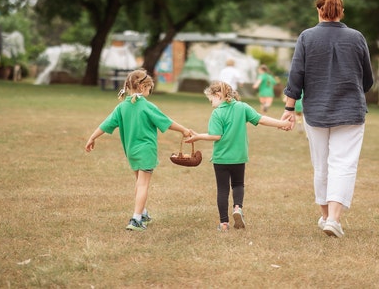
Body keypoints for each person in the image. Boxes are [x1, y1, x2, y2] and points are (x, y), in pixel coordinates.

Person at [281, 0, 374, 239]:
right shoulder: (356, 38)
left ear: (318, 11)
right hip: (351, 111)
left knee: (321, 165)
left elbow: (295, 75)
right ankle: (333, 219)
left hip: (316, 112)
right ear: (341, 11)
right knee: (343, 165)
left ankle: (325, 217)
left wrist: (289, 109)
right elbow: (367, 80)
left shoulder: (306, 37)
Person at [85, 69, 194, 232]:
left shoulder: (122, 107)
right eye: (150, 88)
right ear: (143, 87)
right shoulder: (147, 106)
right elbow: (166, 121)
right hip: (146, 151)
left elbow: (105, 124)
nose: (150, 91)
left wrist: (92, 138)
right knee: (143, 184)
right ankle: (136, 219)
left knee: (138, 182)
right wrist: (184, 130)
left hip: (131, 151)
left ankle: (143, 213)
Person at [186, 81, 291, 232]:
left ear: (218, 95)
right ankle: (237, 208)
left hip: (221, 158)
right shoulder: (242, 107)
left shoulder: (217, 113)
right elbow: (261, 119)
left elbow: (215, 135)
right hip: (239, 157)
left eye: (211, 100)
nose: (211, 104)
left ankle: (223, 224)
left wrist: (198, 137)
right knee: (238, 184)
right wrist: (281, 123)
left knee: (222, 189)